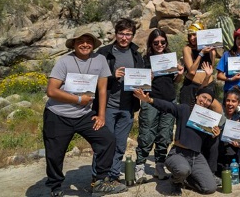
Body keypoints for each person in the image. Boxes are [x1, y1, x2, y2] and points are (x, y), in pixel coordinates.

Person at [43, 27, 127, 197]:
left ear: (94, 44)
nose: (85, 44)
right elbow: (51, 91)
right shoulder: (64, 62)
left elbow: (103, 89)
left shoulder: (100, 60)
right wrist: (78, 100)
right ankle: (56, 187)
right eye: (80, 41)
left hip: (84, 115)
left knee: (107, 140)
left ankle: (100, 181)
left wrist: (101, 115)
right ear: (74, 43)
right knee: (55, 154)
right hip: (58, 115)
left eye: (89, 41)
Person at [133, 79, 221, 196]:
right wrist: (149, 100)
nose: (205, 101)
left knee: (210, 188)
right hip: (178, 154)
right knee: (183, 169)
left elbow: (209, 144)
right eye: (203, 97)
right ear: (196, 97)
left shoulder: (209, 121)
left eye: (209, 100)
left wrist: (215, 134)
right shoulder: (184, 109)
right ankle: (176, 182)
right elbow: (167, 106)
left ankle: (185, 180)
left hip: (197, 157)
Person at [93, 18, 144, 184]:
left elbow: (141, 77)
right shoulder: (104, 52)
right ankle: (99, 178)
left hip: (128, 107)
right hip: (107, 106)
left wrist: (145, 81)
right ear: (116, 34)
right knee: (104, 143)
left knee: (121, 144)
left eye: (128, 34)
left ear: (132, 36)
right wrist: (111, 77)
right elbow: (93, 76)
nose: (124, 37)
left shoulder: (136, 54)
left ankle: (113, 176)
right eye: (121, 33)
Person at [135, 29, 184, 183]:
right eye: (156, 42)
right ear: (151, 43)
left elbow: (174, 81)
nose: (159, 45)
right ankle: (140, 166)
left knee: (165, 134)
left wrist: (180, 73)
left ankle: (159, 165)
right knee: (147, 133)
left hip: (169, 101)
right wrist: (147, 77)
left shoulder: (170, 59)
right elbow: (138, 82)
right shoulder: (144, 60)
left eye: (162, 42)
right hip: (151, 100)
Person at [179, 22, 216, 106]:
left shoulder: (210, 50)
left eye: (194, 35)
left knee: (204, 115)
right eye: (190, 36)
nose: (192, 38)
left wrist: (212, 52)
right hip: (191, 85)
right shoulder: (187, 49)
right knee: (187, 113)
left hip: (208, 85)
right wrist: (201, 53)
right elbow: (192, 71)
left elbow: (211, 68)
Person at [216, 87, 240, 175]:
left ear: (239, 103)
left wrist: (239, 144)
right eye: (228, 100)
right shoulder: (219, 112)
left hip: (231, 148)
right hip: (217, 146)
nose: (230, 104)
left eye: (233, 101)